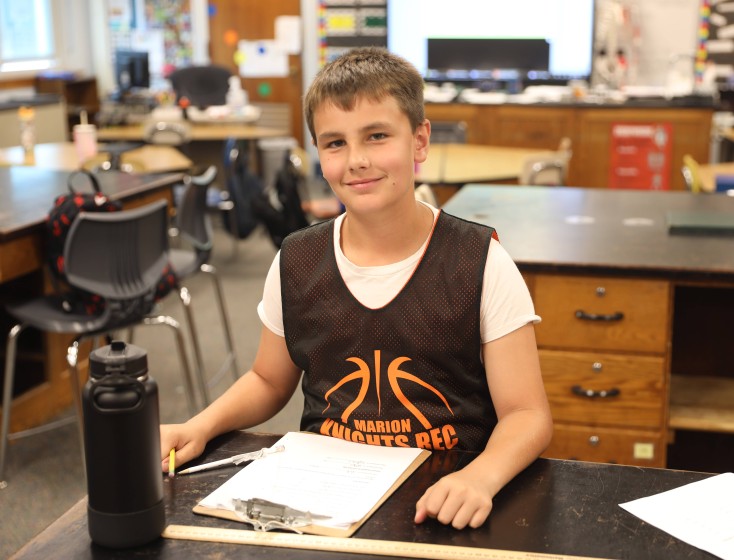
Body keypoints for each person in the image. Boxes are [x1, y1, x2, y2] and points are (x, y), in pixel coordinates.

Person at [160, 47, 553, 530]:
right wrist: (197, 426)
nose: (357, 160)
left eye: (377, 136)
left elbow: (527, 414)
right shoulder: (297, 260)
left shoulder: (480, 261)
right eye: (334, 143)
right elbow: (267, 381)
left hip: (443, 498)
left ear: (420, 140)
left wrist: (483, 476)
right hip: (323, 499)